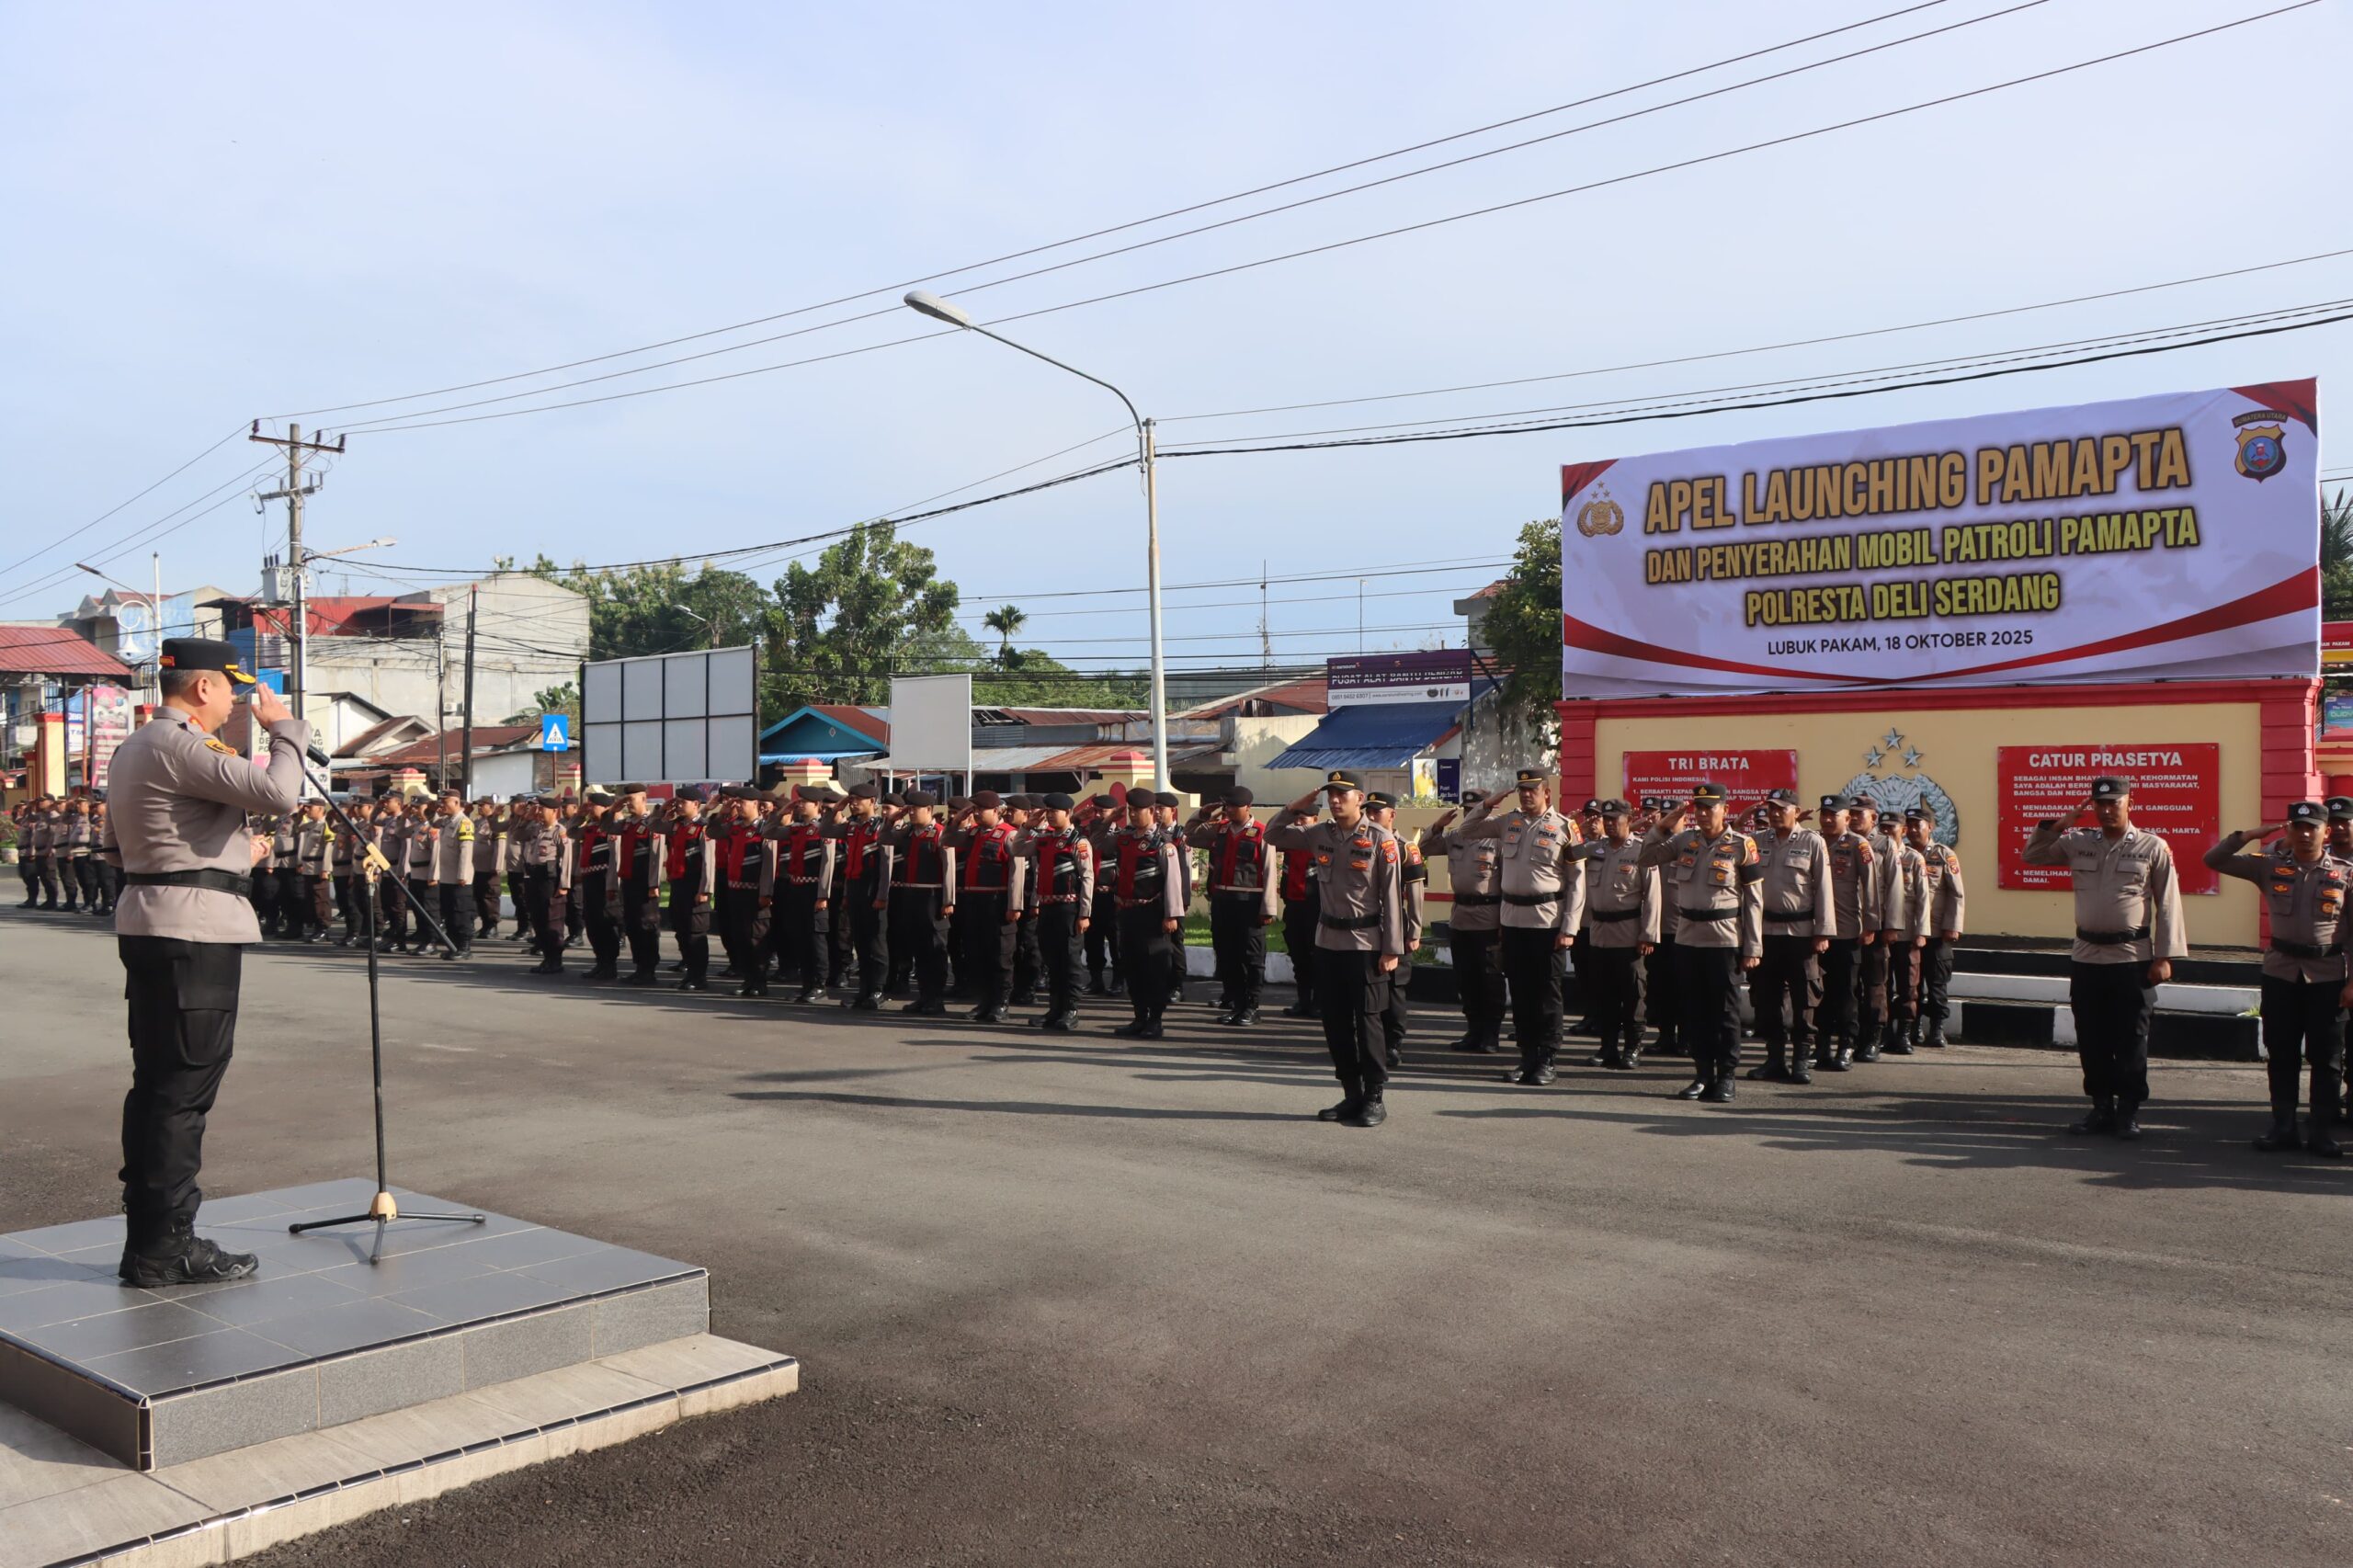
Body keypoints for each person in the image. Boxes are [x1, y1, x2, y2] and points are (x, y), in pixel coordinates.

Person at [98, 637, 305, 1286]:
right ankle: (165, 1246)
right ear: (203, 687)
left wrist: (235, 856)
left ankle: (151, 1239)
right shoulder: (184, 742)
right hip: (194, 933)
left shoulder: (135, 746)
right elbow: (280, 792)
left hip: (158, 922)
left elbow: (122, 846)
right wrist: (287, 732)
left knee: (160, 1084)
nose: (240, 701)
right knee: (183, 1090)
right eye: (233, 687)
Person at [2206, 804, 2348, 1157]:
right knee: (2282, 1052)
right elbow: (2215, 859)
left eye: (2312, 827)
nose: (2304, 834)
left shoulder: (2345, 874)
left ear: (2325, 833)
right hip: (2281, 973)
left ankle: (2320, 1132)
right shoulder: (2268, 866)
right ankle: (2283, 1127)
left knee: (2327, 1057)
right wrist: (2252, 835)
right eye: (2298, 827)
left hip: (2328, 976)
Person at [1267, 771, 1407, 1126]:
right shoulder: (1320, 834)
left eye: (1342, 795)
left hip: (1366, 944)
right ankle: (1351, 1094)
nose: (1334, 800)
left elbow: (1392, 897)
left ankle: (1375, 1096)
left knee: (1368, 1021)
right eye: (1330, 794)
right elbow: (1272, 835)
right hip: (1328, 942)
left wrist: (1392, 949)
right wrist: (1294, 805)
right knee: (1335, 1022)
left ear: (1359, 798)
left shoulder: (1381, 839)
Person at [1455, 767, 1587, 1087]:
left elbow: (1578, 882)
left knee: (1547, 994)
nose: (1526, 795)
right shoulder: (1507, 822)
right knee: (1522, 994)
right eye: (1521, 790)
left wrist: (1569, 927)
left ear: (1547, 793)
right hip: (1513, 921)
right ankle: (1527, 1057)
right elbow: (1467, 830)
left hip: (1548, 922)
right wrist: (1488, 803)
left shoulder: (1565, 828)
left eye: (1532, 790)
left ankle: (1547, 1059)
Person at [1640, 782, 1763, 1103]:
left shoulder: (1741, 844)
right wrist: (1663, 824)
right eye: (1699, 808)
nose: (1704, 813)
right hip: (1688, 936)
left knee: (1724, 1012)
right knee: (1694, 1011)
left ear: (1725, 809)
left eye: (1710, 807)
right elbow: (1647, 857)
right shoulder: (1684, 840)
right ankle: (1702, 1074)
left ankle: (1726, 1077)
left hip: (1724, 937)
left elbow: (1754, 900)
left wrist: (1753, 946)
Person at [1745, 789, 1834, 1085]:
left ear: (1796, 811)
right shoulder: (1757, 841)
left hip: (1801, 933)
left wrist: (1823, 931)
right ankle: (1774, 1060)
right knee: (1767, 998)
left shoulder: (1812, 842)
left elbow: (1823, 888)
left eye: (1782, 808)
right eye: (1771, 808)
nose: (1775, 813)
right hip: (1766, 933)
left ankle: (1800, 1061)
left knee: (1804, 999)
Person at [1421, 791, 1505, 1053]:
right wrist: (1437, 826)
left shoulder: (1499, 838)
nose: (1470, 814)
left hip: (1489, 915)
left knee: (1489, 979)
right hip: (1461, 915)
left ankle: (1490, 1034)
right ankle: (1473, 1030)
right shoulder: (1455, 837)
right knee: (1466, 978)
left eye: (1475, 808)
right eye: (1467, 809)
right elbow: (1422, 849)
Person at [1580, 801, 1659, 1070]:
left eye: (1615, 818)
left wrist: (1648, 934)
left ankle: (1632, 1048)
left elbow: (1653, 896)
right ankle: (1608, 1047)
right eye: (1607, 819)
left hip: (1629, 932)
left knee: (1633, 993)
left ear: (1629, 819)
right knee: (1605, 994)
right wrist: (1579, 828)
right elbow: (1568, 853)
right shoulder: (1596, 849)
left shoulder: (1641, 850)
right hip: (1600, 932)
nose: (1610, 823)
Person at [1882, 807, 1965, 1055]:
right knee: (1911, 984)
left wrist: (1953, 925)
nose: (1915, 828)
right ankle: (1913, 1027)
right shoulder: (1898, 854)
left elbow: (1956, 892)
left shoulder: (1943, 854)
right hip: (1908, 930)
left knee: (1937, 983)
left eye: (1920, 824)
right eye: (1911, 824)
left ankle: (1937, 1028)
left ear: (1931, 827)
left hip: (1937, 931)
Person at [1193, 787, 1279, 1027]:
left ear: (1248, 807)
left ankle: (1252, 1006)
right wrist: (1203, 814)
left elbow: (1270, 871)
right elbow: (1190, 836)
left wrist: (1268, 908)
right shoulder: (1219, 829)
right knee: (1227, 955)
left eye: (1233, 806)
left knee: (1251, 958)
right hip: (1222, 901)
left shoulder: (1262, 833)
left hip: (1249, 903)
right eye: (1226, 806)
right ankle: (1236, 1004)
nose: (1228, 810)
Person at [949, 791, 1026, 1023]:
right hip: (974, 902)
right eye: (973, 809)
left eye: (980, 809)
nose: (976, 814)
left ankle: (1000, 1004)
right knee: (977, 954)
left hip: (997, 902)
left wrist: (1014, 905)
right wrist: (957, 821)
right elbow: (946, 841)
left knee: (1000, 956)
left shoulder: (1010, 835)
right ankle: (984, 1002)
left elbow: (1017, 874)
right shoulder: (972, 833)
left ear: (995, 810)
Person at [1816, 795, 1881, 1072]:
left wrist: (1871, 924)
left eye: (1835, 814)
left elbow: (1870, 887)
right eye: (1825, 814)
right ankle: (1819, 1048)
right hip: (1816, 932)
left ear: (1846, 817)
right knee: (1817, 994)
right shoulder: (1813, 841)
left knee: (1846, 994)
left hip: (1846, 931)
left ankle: (1846, 1046)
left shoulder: (1858, 844)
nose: (1828, 819)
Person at [1026, 792, 1096, 1032]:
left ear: (1067, 813)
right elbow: (1017, 849)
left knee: (1069, 961)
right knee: (1052, 960)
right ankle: (1054, 1008)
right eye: (1048, 811)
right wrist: (1028, 826)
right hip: (1047, 907)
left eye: (1055, 811)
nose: (1051, 815)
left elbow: (1087, 877)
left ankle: (1071, 1009)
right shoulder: (1044, 839)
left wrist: (1084, 913)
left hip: (1069, 908)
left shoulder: (1079, 841)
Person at [1365, 790, 1424, 1066]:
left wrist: (1414, 931)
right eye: (1369, 811)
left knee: (1394, 987)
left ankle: (1393, 1043)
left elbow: (1415, 894)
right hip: (1366, 924)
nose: (1372, 816)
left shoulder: (1405, 848)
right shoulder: (1363, 842)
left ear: (1392, 814)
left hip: (1395, 923)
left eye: (1378, 811)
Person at [887, 790, 955, 1014]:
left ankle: (936, 998)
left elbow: (949, 870)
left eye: (916, 809)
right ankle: (924, 996)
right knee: (918, 948)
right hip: (911, 896)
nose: (912, 812)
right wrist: (895, 819)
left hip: (932, 897)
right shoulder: (908, 833)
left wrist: (948, 900)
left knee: (935, 949)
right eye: (910, 808)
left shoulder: (940, 834)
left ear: (929, 810)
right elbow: (884, 838)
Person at [769, 786, 836, 1003]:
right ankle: (806, 984)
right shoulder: (796, 828)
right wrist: (781, 813)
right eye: (798, 801)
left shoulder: (824, 829)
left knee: (816, 940)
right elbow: (768, 833)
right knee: (800, 938)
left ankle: (819, 985)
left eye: (803, 802)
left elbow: (828, 864)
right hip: (795, 888)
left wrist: (823, 895)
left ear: (816, 805)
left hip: (814, 890)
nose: (799, 805)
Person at [830, 783, 893, 1009]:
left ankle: (877, 991)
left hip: (873, 890)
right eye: (851, 799)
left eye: (858, 799)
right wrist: (837, 808)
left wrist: (882, 895)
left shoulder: (882, 827)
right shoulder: (852, 826)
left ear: (872, 802)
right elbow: (826, 830)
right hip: (856, 889)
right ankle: (863, 990)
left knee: (877, 944)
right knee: (861, 944)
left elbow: (886, 866)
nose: (853, 803)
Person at [713, 788, 775, 996]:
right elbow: (712, 832)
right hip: (735, 891)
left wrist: (766, 892)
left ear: (756, 804)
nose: (737, 806)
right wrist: (720, 812)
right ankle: (748, 979)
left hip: (755, 893)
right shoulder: (734, 827)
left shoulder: (765, 829)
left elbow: (769, 864)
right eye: (736, 802)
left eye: (742, 803)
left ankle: (760, 981)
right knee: (739, 936)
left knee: (756, 938)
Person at [611, 786, 668, 986]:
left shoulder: (651, 824)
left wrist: (654, 884)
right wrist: (614, 809)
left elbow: (656, 855)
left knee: (647, 925)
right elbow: (607, 827)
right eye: (626, 800)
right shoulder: (627, 823)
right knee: (633, 925)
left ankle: (649, 968)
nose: (628, 804)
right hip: (629, 881)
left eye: (631, 800)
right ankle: (639, 967)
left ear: (644, 799)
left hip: (645, 883)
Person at [662, 787, 713, 990]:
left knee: (695, 933)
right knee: (681, 931)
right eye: (677, 802)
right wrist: (665, 811)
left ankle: (699, 977)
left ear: (696, 804)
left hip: (695, 886)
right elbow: (655, 827)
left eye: (683, 802)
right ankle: (690, 974)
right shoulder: (676, 825)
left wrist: (705, 890)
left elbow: (709, 861)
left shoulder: (704, 828)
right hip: (678, 884)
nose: (679, 806)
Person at [428, 790, 475, 960]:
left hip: (459, 878)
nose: (442, 805)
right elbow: (431, 823)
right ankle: (454, 945)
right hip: (446, 876)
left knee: (461, 912)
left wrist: (462, 874)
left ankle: (464, 946)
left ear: (456, 803)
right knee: (449, 912)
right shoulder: (446, 822)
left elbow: (466, 850)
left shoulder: (464, 823)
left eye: (445, 802)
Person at [294, 798, 334, 945]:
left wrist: (325, 868)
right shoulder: (310, 825)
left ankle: (324, 928)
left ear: (320, 809)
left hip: (318, 867)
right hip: (308, 866)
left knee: (320, 900)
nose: (307, 810)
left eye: (310, 807)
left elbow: (329, 847)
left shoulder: (326, 825)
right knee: (311, 899)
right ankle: (317, 927)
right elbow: (297, 828)